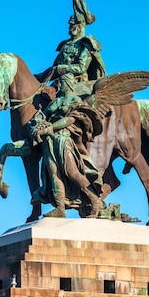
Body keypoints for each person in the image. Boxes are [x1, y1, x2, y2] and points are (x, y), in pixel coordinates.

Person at [29, 74, 104, 218]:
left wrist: (48, 128)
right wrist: (37, 123)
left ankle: (95, 200)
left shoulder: (75, 101)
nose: (58, 87)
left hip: (64, 140)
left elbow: (70, 119)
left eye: (60, 84)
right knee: (53, 174)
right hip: (50, 143)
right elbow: (43, 116)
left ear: (67, 84)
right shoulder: (56, 101)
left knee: (72, 172)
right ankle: (60, 208)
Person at [35, 0, 106, 92]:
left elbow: (81, 67)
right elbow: (54, 68)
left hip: (78, 85)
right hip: (60, 83)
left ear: (79, 26)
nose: (70, 27)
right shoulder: (65, 44)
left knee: (61, 102)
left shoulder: (85, 44)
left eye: (72, 25)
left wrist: (61, 68)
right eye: (70, 25)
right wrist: (36, 78)